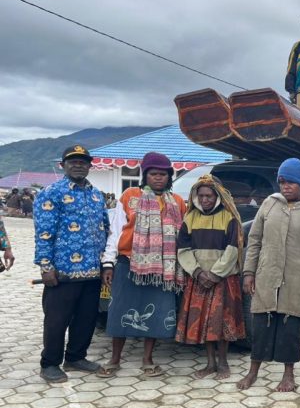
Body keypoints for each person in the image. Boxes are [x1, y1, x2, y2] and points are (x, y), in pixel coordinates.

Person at [236, 158, 300, 392]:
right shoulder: (269, 204)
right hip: (267, 276)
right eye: (282, 182)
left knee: (289, 329)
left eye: (292, 182)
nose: (286, 186)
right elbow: (254, 240)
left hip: (298, 280)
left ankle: (288, 376)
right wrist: (249, 272)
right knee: (261, 326)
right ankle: (253, 372)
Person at [98, 152, 187, 378]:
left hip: (163, 269)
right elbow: (116, 231)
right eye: (153, 174)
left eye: (163, 174)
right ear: (145, 175)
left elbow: (182, 235)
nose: (158, 178)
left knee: (156, 313)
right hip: (129, 263)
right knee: (119, 310)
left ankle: (148, 359)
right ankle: (114, 359)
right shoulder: (130, 196)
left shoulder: (177, 202)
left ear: (170, 176)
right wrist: (108, 263)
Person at [33, 145, 109, 383]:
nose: (78, 165)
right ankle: (50, 363)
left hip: (92, 271)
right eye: (73, 161)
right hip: (63, 272)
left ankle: (76, 357)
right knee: (57, 320)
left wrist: (106, 263)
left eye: (83, 161)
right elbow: (44, 233)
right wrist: (46, 267)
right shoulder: (51, 193)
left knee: (87, 318)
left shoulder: (96, 195)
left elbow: (105, 229)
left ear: (89, 165)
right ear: (62, 165)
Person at [176, 175, 245, 380]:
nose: (205, 200)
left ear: (218, 196)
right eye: (201, 196)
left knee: (221, 322)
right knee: (205, 323)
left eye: (209, 196)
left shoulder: (229, 218)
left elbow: (233, 249)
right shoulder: (190, 218)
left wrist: (215, 274)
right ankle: (210, 363)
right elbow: (183, 249)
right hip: (198, 278)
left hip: (222, 279)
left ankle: (223, 363)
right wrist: (197, 272)